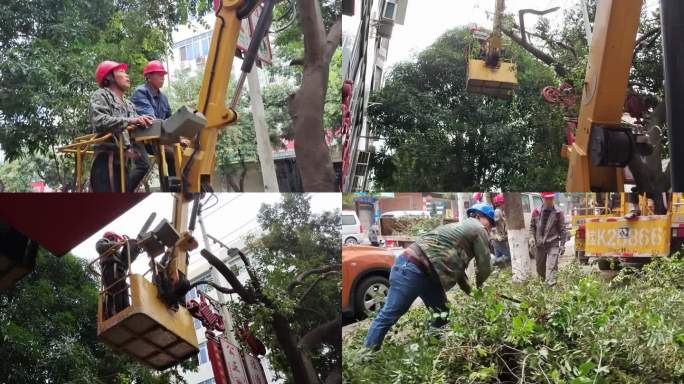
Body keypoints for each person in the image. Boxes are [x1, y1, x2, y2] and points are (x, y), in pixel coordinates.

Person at [364, 203, 495, 350]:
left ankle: (433, 349)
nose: (490, 228)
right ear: (478, 216)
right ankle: (365, 356)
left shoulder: (461, 232)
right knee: (391, 313)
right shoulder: (478, 228)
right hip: (412, 269)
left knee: (442, 312)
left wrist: (474, 294)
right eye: (490, 223)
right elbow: (485, 266)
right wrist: (482, 291)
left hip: (428, 276)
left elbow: (459, 273)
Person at [90, 61, 152, 192]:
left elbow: (135, 128)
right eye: (121, 72)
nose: (127, 76)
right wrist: (131, 121)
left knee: (126, 187)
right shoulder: (101, 95)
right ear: (108, 77)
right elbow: (99, 121)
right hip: (105, 160)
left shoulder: (129, 104)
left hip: (123, 161)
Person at [131, 61, 180, 184]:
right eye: (159, 75)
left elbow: (170, 120)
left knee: (182, 153)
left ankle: (175, 184)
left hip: (158, 136)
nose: (162, 78)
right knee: (170, 155)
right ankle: (173, 185)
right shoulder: (140, 92)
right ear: (148, 77)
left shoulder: (163, 98)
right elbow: (150, 119)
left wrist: (179, 137)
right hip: (143, 138)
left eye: (163, 75)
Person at [96, 231, 139, 319]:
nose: (117, 240)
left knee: (124, 292)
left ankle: (127, 313)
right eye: (115, 238)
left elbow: (127, 260)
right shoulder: (102, 242)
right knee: (116, 293)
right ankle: (115, 314)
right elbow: (101, 247)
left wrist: (133, 247)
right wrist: (119, 243)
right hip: (110, 271)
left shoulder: (118, 254)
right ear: (110, 237)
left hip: (120, 273)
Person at [529, 193, 567, 286]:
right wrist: (531, 237)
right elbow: (532, 226)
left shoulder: (558, 213)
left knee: (552, 267)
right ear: (542, 198)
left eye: (551, 198)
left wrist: (562, 245)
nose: (549, 201)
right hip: (539, 245)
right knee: (540, 268)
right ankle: (542, 288)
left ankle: (552, 288)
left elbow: (562, 230)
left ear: (553, 198)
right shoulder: (536, 212)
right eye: (547, 199)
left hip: (553, 244)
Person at [491, 193, 510, 266]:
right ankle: (492, 262)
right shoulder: (497, 211)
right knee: (508, 256)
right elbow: (494, 223)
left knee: (499, 259)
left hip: (496, 239)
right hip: (498, 239)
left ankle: (496, 265)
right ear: (501, 203)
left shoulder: (500, 211)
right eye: (504, 202)